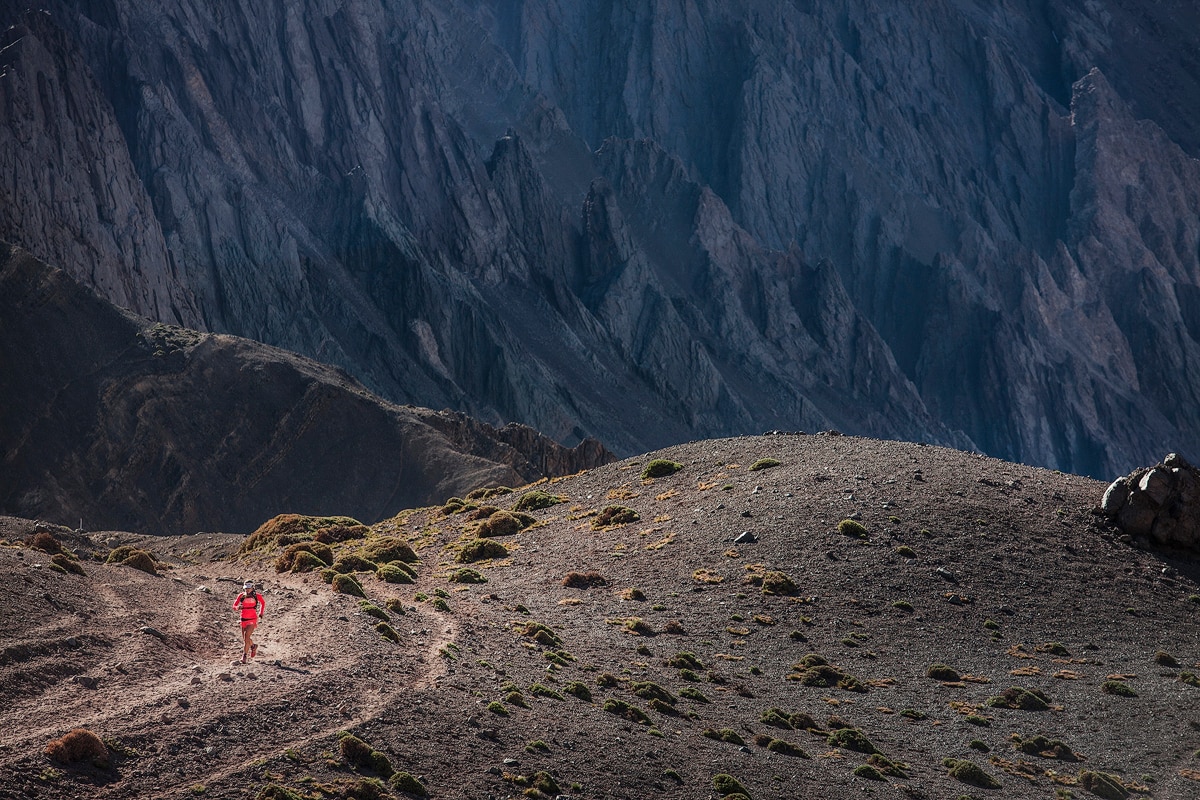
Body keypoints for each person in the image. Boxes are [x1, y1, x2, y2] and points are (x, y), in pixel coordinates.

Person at [233, 579, 265, 663]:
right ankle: (253, 646)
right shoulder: (241, 596)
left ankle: (244, 656)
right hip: (243, 618)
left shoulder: (257, 596)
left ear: (253, 588)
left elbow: (263, 603)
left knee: (247, 636)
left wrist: (261, 613)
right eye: (246, 588)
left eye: (249, 588)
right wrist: (237, 608)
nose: (247, 590)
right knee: (245, 638)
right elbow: (234, 605)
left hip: (252, 618)